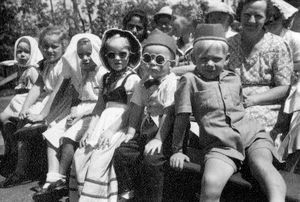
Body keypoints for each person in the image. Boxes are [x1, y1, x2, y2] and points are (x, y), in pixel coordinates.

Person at [170, 23, 286, 202]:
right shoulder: (190, 81)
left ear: (227, 58)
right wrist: (177, 149)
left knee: (262, 166)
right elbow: (182, 115)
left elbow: (239, 106)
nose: (210, 64)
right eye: (203, 59)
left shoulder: (233, 78)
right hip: (220, 144)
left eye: (216, 59)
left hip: (251, 135)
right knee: (210, 183)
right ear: (193, 59)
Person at [32, 33, 107, 200]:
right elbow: (76, 97)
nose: (85, 59)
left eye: (89, 54)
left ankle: (60, 177)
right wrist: (73, 111)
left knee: (68, 138)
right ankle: (53, 177)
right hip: (80, 110)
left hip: (94, 113)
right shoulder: (82, 74)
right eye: (81, 56)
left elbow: (102, 103)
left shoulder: (103, 74)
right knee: (53, 132)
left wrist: (80, 113)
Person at [69, 28, 141, 201]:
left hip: (120, 124)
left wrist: (110, 131)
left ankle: (100, 197)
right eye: (111, 55)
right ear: (105, 56)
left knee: (99, 159)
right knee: (81, 155)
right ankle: (84, 195)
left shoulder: (132, 79)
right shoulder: (106, 78)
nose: (117, 59)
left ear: (130, 55)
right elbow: (99, 107)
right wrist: (89, 130)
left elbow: (130, 109)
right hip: (102, 122)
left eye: (122, 54)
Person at [113, 29, 178, 202]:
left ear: (172, 63)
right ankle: (128, 191)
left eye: (160, 59)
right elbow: (136, 107)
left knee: (152, 161)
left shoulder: (171, 83)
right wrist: (130, 132)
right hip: (145, 129)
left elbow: (169, 114)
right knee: (123, 152)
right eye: (147, 58)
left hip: (164, 131)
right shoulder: (143, 82)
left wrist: (158, 139)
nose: (153, 64)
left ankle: (153, 198)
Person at [0, 26, 68, 188]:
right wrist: (25, 108)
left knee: (44, 127)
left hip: (61, 103)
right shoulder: (45, 64)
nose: (49, 50)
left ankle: (48, 172)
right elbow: (38, 87)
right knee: (24, 120)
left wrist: (42, 114)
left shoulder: (65, 64)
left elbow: (57, 92)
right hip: (48, 101)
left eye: (54, 46)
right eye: (45, 47)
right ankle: (21, 169)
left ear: (63, 47)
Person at [227, 0, 293, 141]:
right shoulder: (229, 44)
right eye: (247, 15)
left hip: (266, 106)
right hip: (231, 101)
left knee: (249, 125)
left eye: (258, 16)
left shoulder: (278, 45)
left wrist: (253, 100)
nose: (251, 20)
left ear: (267, 18)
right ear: (240, 15)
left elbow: (284, 87)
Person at [0, 36, 43, 173]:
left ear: (33, 53)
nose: (22, 55)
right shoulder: (21, 68)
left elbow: (39, 90)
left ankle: (16, 155)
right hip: (17, 103)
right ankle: (10, 149)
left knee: (14, 122)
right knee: (3, 119)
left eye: (26, 52)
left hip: (27, 104)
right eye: (19, 51)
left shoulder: (32, 70)